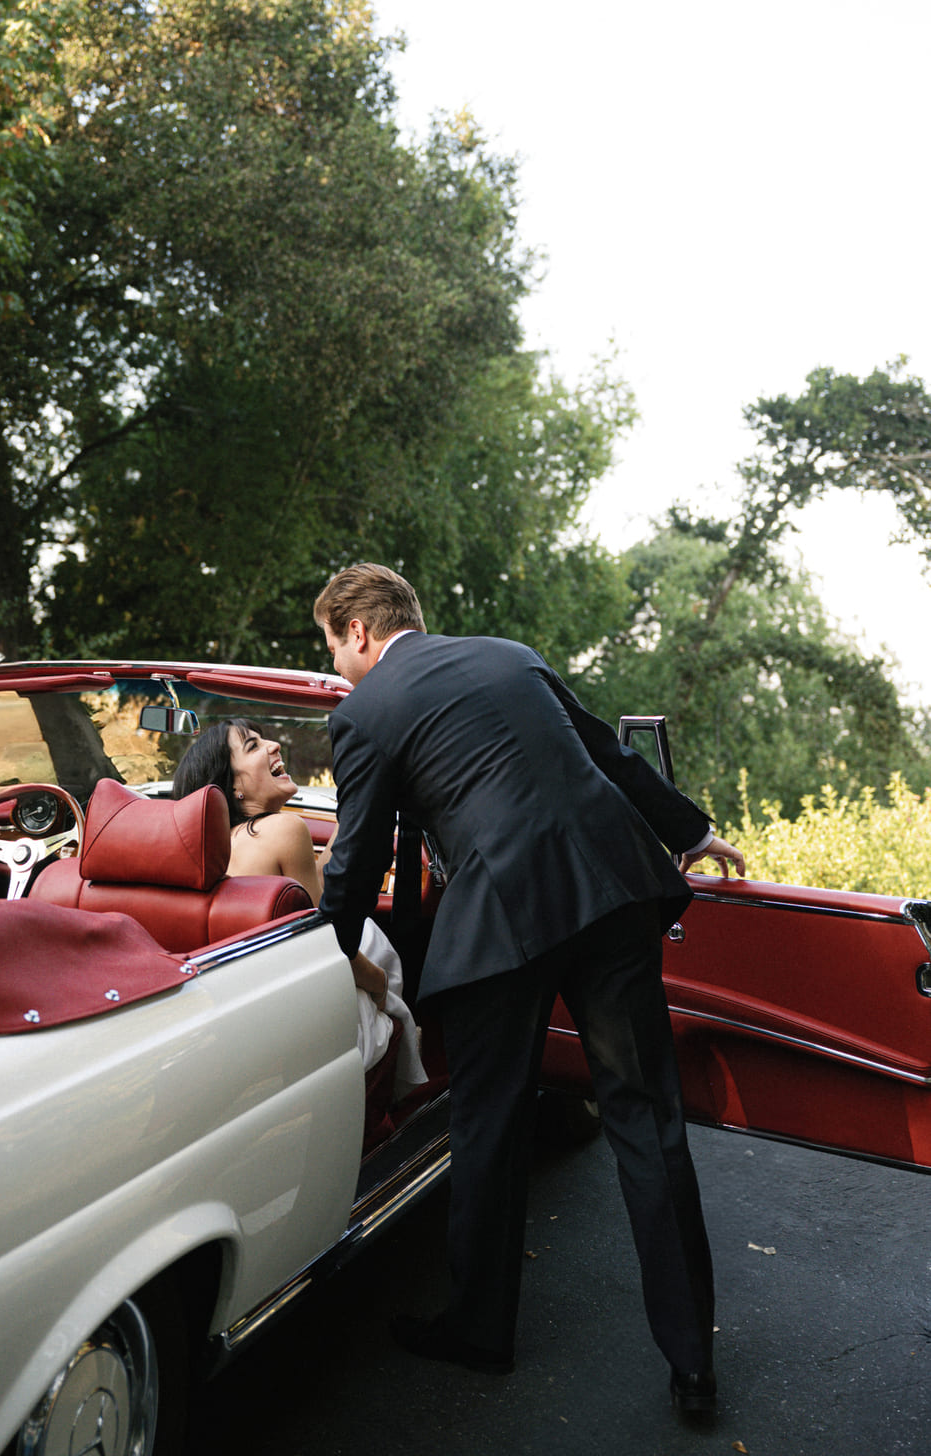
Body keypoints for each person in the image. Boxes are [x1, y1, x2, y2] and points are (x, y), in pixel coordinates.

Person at [312, 562, 745, 1416]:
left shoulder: (364, 712)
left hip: (501, 925)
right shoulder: (512, 655)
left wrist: (325, 953)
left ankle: (480, 1331)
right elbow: (607, 754)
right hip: (612, 891)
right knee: (646, 1122)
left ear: (356, 631)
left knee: (487, 1122)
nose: (335, 665)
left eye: (330, 645)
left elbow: (355, 860)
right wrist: (689, 829)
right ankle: (693, 1362)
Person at [172, 719, 426, 1091]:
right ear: (235, 785)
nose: (274, 745)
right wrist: (382, 986)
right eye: (254, 746)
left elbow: (314, 893)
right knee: (369, 933)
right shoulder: (284, 830)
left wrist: (353, 814)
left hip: (243, 1015)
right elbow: (333, 946)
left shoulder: (204, 850)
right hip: (313, 1013)